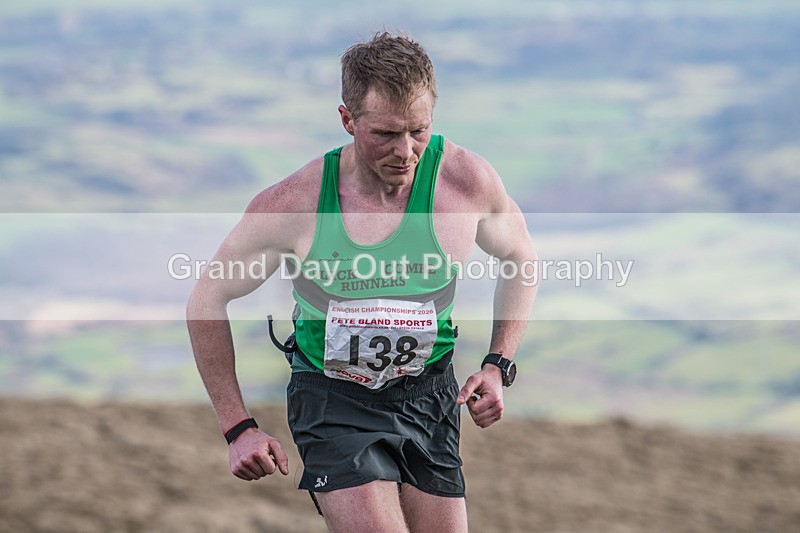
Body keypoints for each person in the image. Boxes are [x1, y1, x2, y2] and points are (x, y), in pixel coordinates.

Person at [187, 31, 536, 533]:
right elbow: (207, 299)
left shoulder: (466, 183)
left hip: (429, 397)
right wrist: (237, 426)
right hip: (333, 402)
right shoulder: (295, 203)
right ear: (348, 120)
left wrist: (498, 363)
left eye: (419, 131)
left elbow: (521, 259)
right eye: (386, 134)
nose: (406, 151)